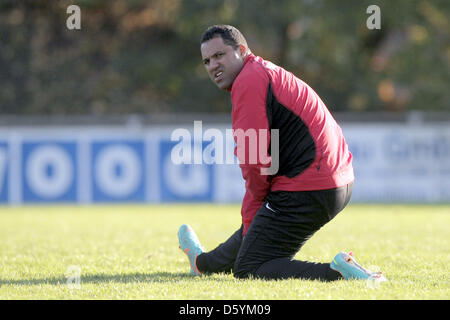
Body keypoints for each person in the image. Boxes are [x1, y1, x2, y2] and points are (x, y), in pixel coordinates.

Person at [178, 24, 385, 281]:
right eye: (207, 61)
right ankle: (201, 264)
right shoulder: (261, 72)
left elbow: (254, 160)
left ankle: (339, 273)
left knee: (249, 267)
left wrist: (252, 211)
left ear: (242, 50)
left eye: (219, 55)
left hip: (310, 186)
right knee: (256, 230)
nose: (212, 66)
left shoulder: (249, 81)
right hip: (336, 182)